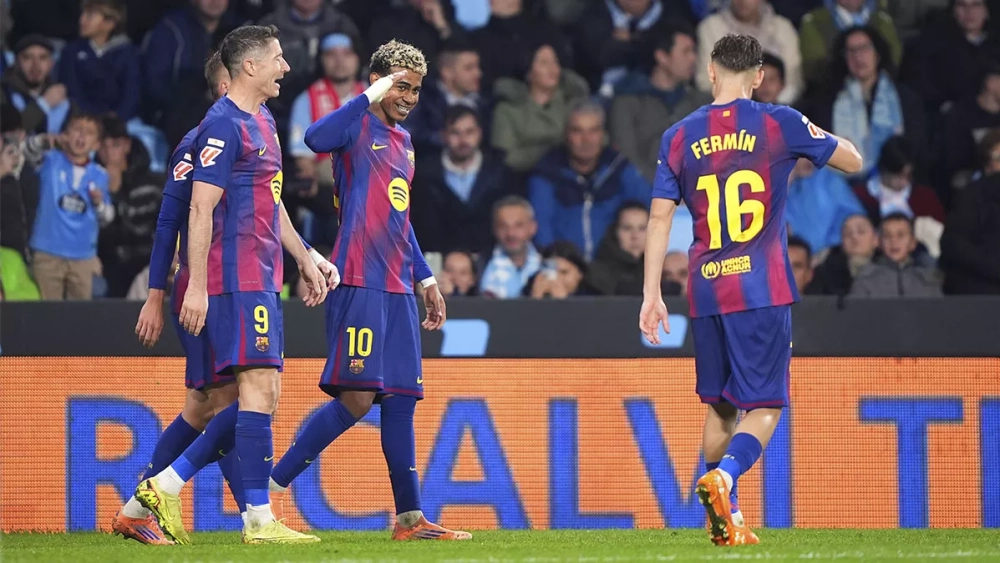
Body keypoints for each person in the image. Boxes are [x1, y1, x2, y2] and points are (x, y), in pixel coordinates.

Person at [639, 33, 862, 547]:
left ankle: (727, 518)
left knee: (720, 406)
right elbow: (850, 160)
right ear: (759, 76)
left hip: (706, 290)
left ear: (710, 73)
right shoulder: (779, 123)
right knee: (764, 406)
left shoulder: (677, 135)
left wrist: (652, 293)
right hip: (760, 288)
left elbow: (658, 218)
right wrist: (819, 139)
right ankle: (727, 478)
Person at [268, 39, 472, 542]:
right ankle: (264, 491)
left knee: (402, 399)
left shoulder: (404, 142)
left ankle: (410, 519)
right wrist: (366, 95)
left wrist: (425, 278)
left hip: (399, 286)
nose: (409, 96)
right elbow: (315, 138)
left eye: (416, 89)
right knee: (357, 401)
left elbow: (401, 222)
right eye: (400, 86)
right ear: (378, 82)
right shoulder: (356, 125)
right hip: (358, 278)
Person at [134, 25, 329, 545]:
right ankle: (223, 508)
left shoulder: (262, 119)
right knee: (253, 393)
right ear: (249, 67)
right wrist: (190, 285)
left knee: (242, 398)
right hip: (233, 280)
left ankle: (166, 496)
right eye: (278, 58)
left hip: (260, 276)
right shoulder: (219, 127)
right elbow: (196, 209)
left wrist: (305, 256)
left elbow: (272, 200)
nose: (286, 67)